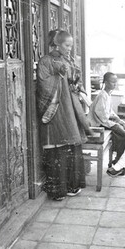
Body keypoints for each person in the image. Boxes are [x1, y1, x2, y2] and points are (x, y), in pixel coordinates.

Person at [37, 29, 90, 201]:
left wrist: (75, 82)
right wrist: (59, 75)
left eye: (71, 46)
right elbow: (44, 85)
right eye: (67, 45)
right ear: (57, 44)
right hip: (55, 110)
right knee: (57, 149)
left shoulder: (69, 60)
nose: (69, 49)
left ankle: (72, 186)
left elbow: (76, 81)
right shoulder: (45, 61)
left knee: (72, 146)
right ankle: (57, 191)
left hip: (69, 109)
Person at [88, 71, 125, 176]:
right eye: (112, 82)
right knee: (124, 135)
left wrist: (118, 119)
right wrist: (113, 123)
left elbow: (110, 111)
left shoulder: (108, 94)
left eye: (116, 82)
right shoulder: (102, 95)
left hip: (104, 121)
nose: (114, 84)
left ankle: (119, 162)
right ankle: (117, 162)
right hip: (98, 123)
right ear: (106, 82)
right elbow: (101, 114)